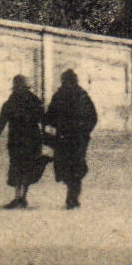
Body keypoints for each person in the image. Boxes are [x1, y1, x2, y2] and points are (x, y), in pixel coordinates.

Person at [0, 74, 49, 208]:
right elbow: (45, 120)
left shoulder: (10, 103)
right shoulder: (35, 102)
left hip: (17, 141)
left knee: (18, 169)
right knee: (27, 168)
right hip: (32, 140)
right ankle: (22, 197)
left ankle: (20, 197)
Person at [44, 69, 99, 209]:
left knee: (68, 168)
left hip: (65, 138)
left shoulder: (61, 95)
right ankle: (72, 196)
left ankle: (71, 196)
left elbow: (49, 117)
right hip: (77, 139)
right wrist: (85, 132)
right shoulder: (81, 95)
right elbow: (93, 117)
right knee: (75, 168)